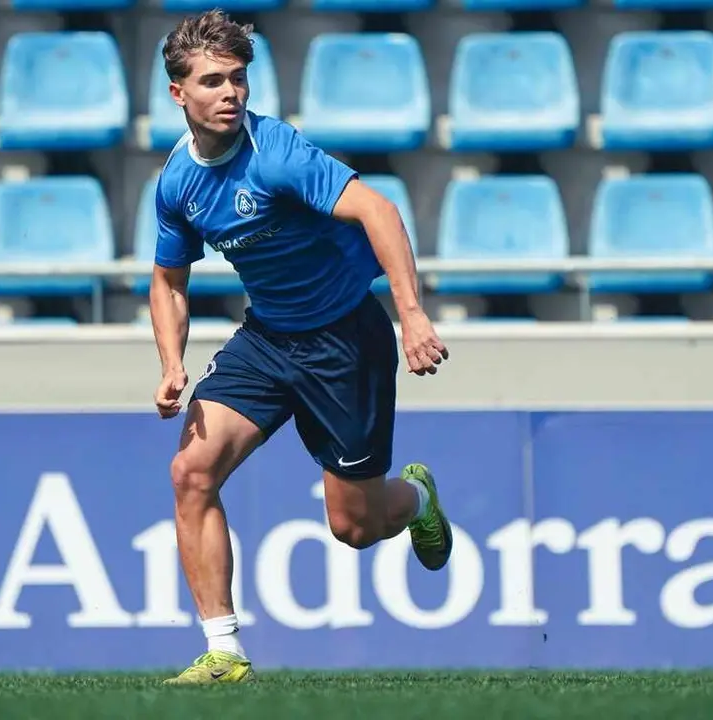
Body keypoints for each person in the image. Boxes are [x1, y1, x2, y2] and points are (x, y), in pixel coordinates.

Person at [149, 10, 453, 686]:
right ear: (179, 95)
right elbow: (168, 277)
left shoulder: (277, 153)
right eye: (212, 81)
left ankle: (418, 503)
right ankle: (224, 652)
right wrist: (172, 362)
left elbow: (379, 210)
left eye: (238, 79)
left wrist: (411, 317)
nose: (230, 93)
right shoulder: (176, 181)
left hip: (345, 338)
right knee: (190, 473)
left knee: (354, 527)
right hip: (267, 338)